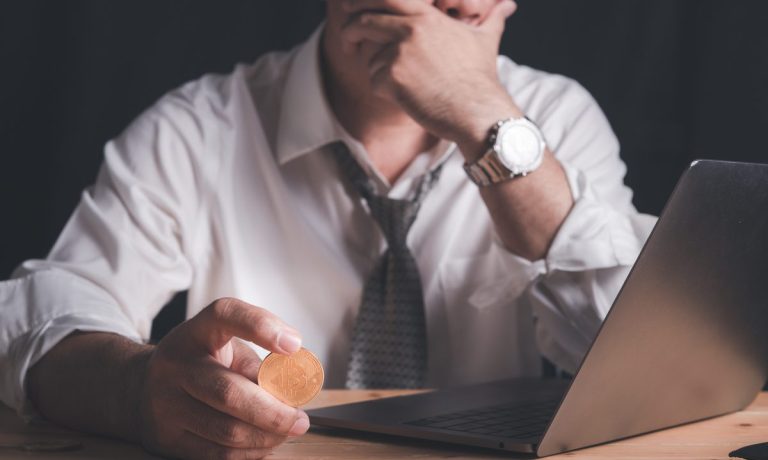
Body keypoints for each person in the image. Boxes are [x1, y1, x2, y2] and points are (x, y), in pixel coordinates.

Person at [0, 0, 654, 458]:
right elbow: (37, 325)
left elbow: (641, 367)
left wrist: (486, 121)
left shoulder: (556, 119)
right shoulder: (199, 129)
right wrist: (138, 393)